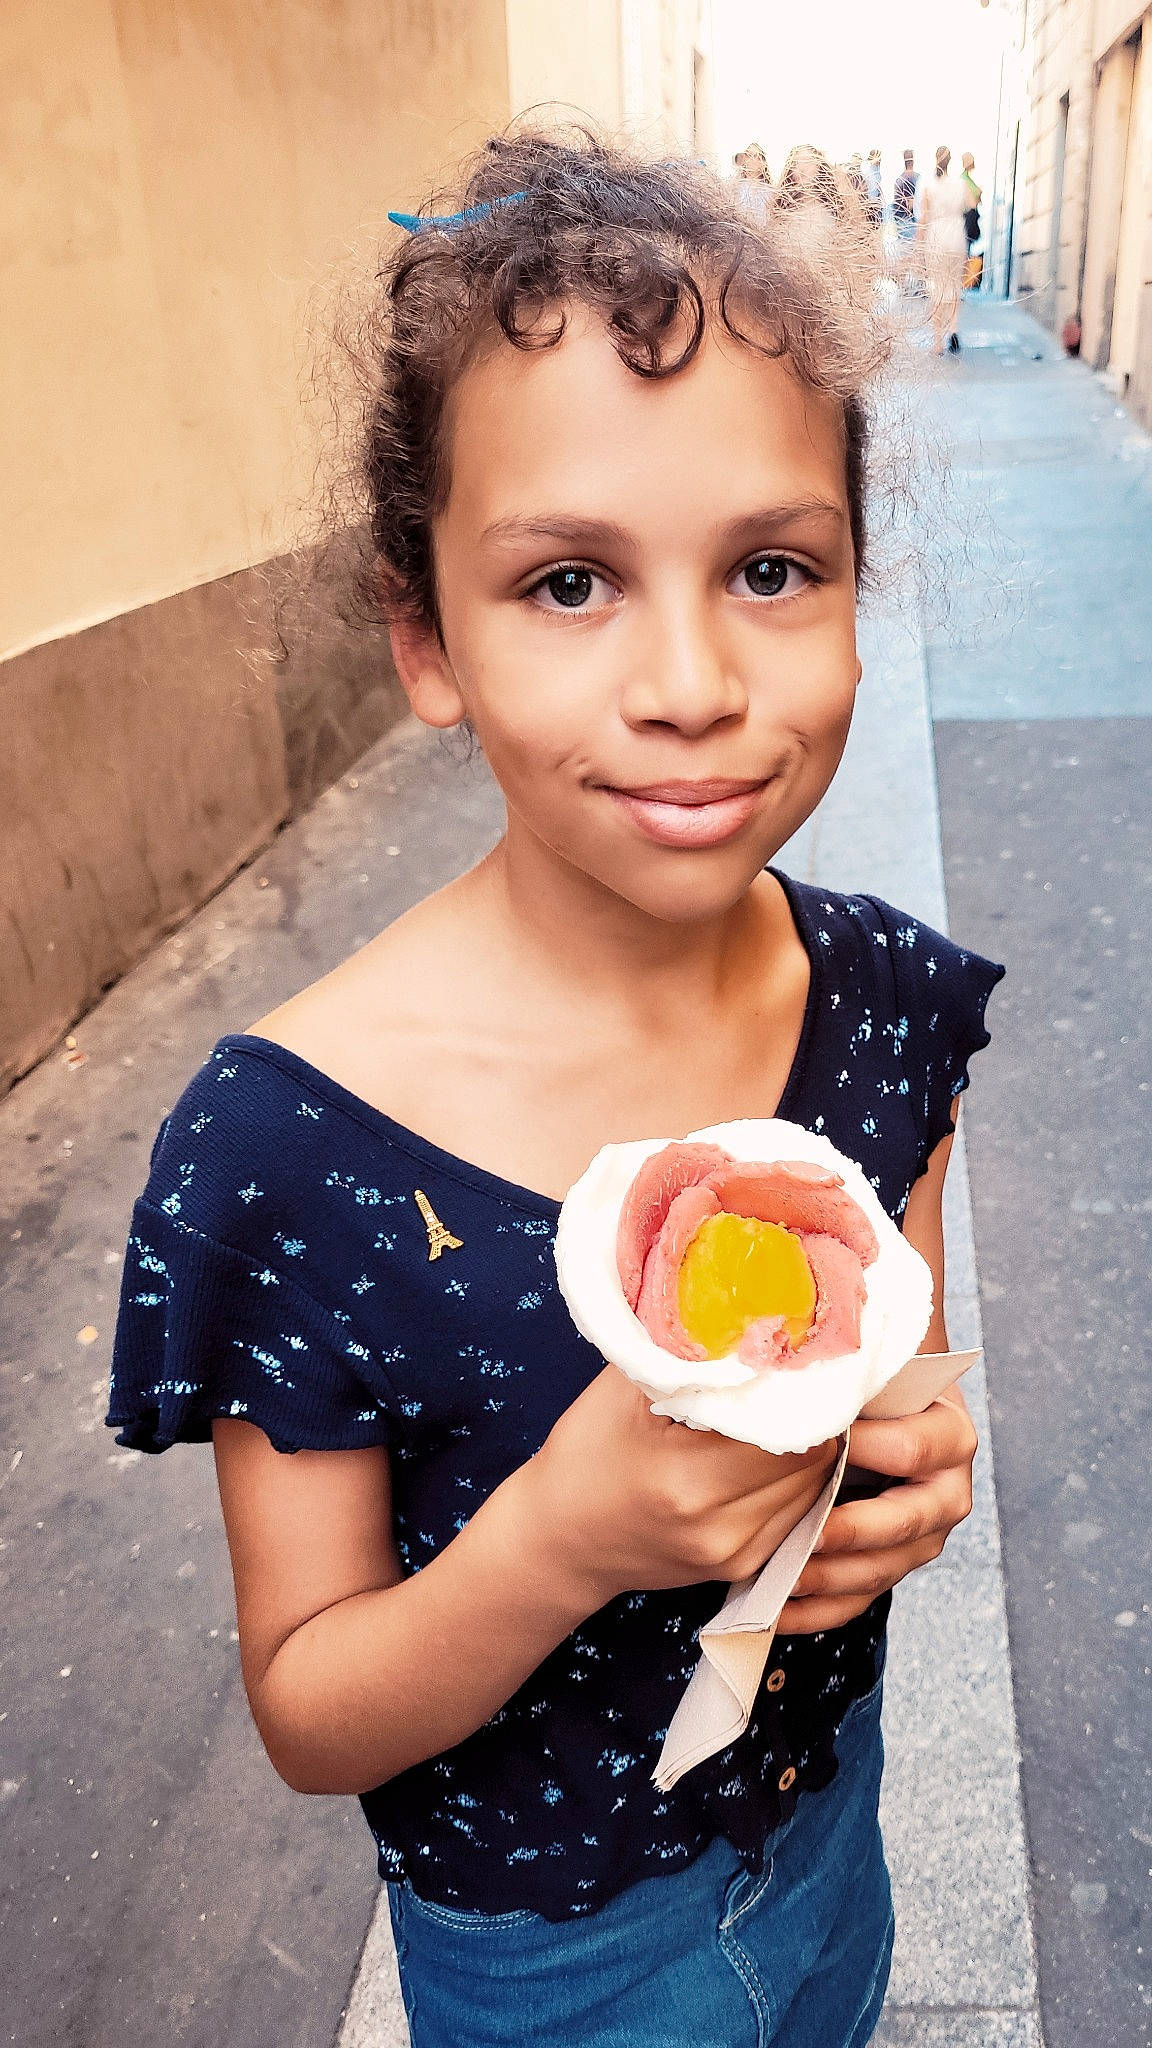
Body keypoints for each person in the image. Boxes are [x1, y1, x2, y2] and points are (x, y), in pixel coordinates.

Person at [107, 132, 1000, 2048]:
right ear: (423, 633)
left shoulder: (885, 1008)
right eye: (571, 581)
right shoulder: (285, 1151)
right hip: (546, 1957)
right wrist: (562, 1538)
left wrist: (908, 1461)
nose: (689, 681)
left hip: (826, 1845)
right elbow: (309, 1703)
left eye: (771, 568)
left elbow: (899, 1359)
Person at [921, 144, 970, 352]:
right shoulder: (960, 184)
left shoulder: (928, 185)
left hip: (936, 238)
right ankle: (953, 328)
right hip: (956, 236)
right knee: (954, 286)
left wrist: (918, 245)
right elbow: (971, 204)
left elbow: (924, 217)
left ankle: (938, 342)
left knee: (937, 288)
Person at [892, 148, 920, 290]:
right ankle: (913, 286)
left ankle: (902, 285)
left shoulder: (900, 179)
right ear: (913, 160)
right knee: (913, 254)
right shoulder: (915, 178)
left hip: (900, 220)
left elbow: (895, 205)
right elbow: (912, 203)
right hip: (911, 220)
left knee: (903, 254)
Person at [733, 140, 775, 222]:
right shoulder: (736, 188)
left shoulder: (771, 191)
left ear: (763, 162)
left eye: (758, 156)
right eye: (750, 155)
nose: (753, 160)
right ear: (744, 161)